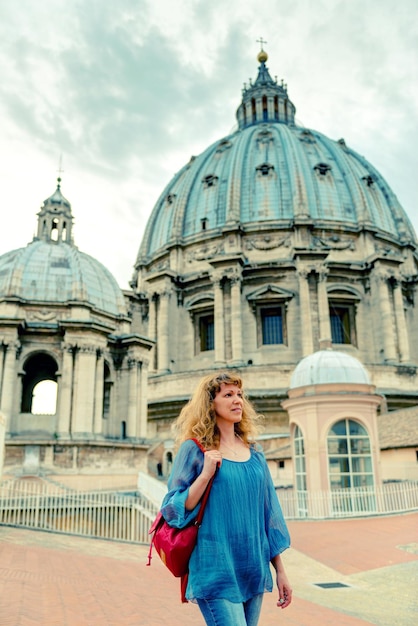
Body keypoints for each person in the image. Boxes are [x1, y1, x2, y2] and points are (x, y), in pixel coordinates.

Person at [160, 371, 292, 626]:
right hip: (215, 570)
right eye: (228, 395)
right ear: (211, 403)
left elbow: (268, 517)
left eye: (240, 395)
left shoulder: (255, 454)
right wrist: (205, 475)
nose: (238, 401)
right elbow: (172, 509)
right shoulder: (195, 449)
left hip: (252, 568)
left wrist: (281, 572)